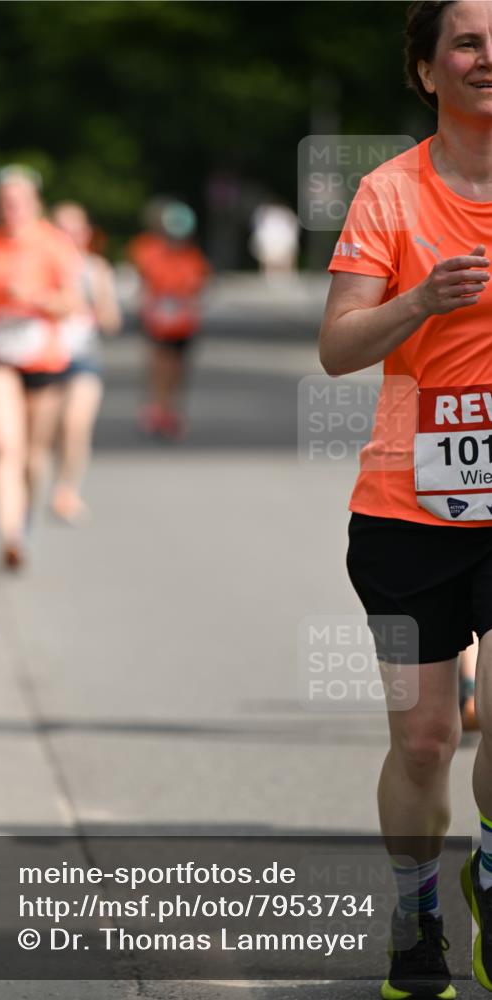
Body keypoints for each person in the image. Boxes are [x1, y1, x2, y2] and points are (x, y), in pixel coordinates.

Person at [319, 2, 492, 996]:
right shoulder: (388, 196)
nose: (486, 57)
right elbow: (337, 347)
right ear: (426, 71)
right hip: (404, 512)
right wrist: (418, 300)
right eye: (465, 41)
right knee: (422, 737)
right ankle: (416, 908)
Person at [0, 165, 82, 568]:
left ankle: (24, 522)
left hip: (42, 357)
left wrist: (34, 299)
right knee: (2, 445)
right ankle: (9, 535)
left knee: (33, 455)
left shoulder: (54, 245)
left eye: (18, 201)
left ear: (34, 203)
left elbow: (72, 305)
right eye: (2, 202)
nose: (9, 208)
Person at [48, 201, 122, 522]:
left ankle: (67, 490)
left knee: (76, 424)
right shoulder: (39, 266)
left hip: (83, 357)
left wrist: (95, 310)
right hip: (43, 358)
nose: (68, 237)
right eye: (61, 230)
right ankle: (40, 479)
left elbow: (112, 321)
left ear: (86, 233)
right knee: (48, 431)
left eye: (74, 230)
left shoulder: (97, 269)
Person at [129, 201, 209, 440]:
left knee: (177, 368)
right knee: (159, 364)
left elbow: (199, 287)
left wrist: (191, 305)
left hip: (183, 323)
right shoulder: (151, 252)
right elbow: (145, 283)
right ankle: (157, 408)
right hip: (158, 320)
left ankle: (171, 409)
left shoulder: (192, 256)